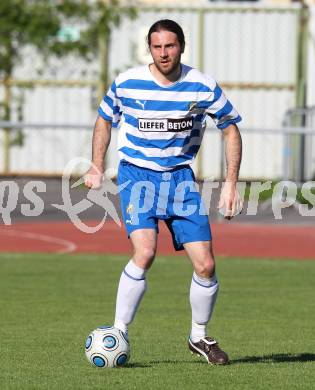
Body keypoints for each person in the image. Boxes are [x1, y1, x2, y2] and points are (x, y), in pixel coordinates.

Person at [85, 19, 242, 365]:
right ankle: (117, 332)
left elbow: (230, 129)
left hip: (180, 181)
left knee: (206, 265)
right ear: (150, 49)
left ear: (181, 47)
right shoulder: (128, 83)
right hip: (137, 177)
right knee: (145, 252)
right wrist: (97, 164)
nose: (163, 53)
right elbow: (104, 119)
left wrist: (231, 184)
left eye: (169, 46)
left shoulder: (201, 86)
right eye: (157, 47)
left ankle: (199, 337)